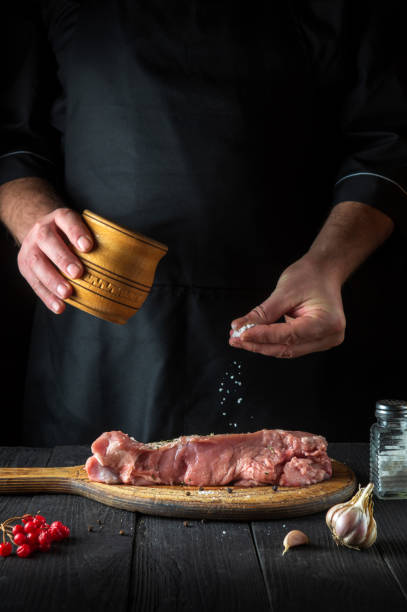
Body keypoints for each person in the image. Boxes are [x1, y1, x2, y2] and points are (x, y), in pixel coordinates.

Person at [0, 1, 406, 446]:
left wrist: (327, 265)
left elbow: (384, 145)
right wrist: (35, 221)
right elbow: (11, 140)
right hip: (95, 339)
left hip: (286, 321)